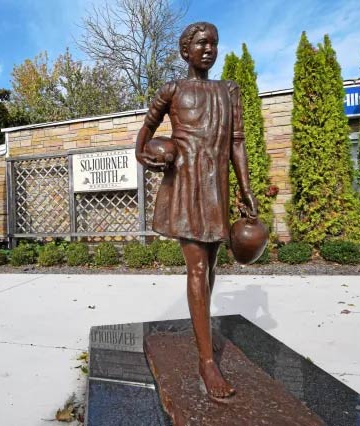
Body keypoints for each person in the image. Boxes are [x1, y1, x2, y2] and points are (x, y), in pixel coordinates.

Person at [136, 22, 258, 400]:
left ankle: (201, 336)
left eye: (214, 44)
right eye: (201, 43)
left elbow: (237, 143)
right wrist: (145, 154)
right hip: (185, 187)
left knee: (212, 267)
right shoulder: (172, 89)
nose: (208, 49)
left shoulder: (228, 91)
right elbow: (145, 129)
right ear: (185, 50)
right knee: (198, 266)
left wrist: (246, 187)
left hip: (216, 191)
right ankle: (207, 362)